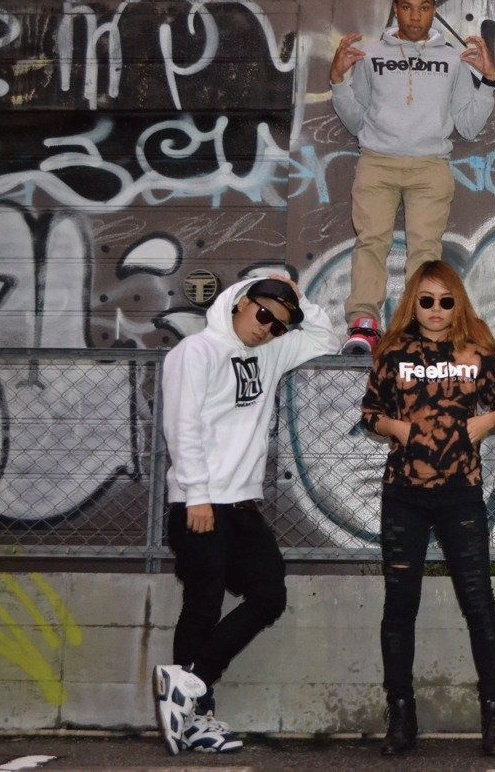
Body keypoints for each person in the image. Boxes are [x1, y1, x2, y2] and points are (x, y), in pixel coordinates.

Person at [153, 276, 339, 755]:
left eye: (279, 326)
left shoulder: (270, 352)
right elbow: (181, 425)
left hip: (241, 504)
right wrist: (196, 495)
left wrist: (300, 298)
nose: (267, 329)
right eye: (263, 315)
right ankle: (195, 719)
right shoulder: (196, 352)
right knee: (203, 604)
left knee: (269, 594)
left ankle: (191, 681)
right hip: (200, 502)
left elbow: (326, 339)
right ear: (241, 302)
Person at [359, 260, 495, 757]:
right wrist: (397, 428)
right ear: (414, 302)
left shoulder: (477, 353)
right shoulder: (391, 353)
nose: (435, 309)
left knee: (479, 603)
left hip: (460, 494)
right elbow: (370, 413)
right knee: (399, 606)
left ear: (458, 304)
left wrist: (486, 422)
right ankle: (401, 718)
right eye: (426, 300)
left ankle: (494, 718)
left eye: (445, 301)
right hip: (403, 495)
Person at [331, 0, 495, 354]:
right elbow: (356, 121)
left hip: (430, 166)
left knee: (425, 251)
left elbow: (468, 126)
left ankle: (417, 329)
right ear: (395, 9)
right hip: (377, 162)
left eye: (424, 8)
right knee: (371, 242)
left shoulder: (452, 59)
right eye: (407, 7)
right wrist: (338, 81)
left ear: (434, 11)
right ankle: (364, 324)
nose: (415, 16)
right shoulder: (371, 55)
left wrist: (488, 81)